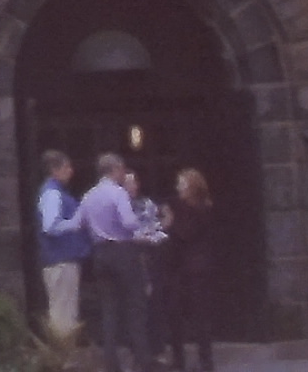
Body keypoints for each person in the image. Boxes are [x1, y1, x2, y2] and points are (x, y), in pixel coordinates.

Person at [79, 153, 152, 369]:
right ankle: (142, 361)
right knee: (135, 308)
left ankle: (111, 364)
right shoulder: (118, 193)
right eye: (121, 169)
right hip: (123, 252)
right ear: (114, 169)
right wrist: (145, 229)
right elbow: (129, 222)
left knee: (109, 310)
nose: (123, 173)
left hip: (100, 253)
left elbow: (80, 222)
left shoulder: (89, 195)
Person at [158, 168, 220, 372]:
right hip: (178, 269)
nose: (178, 188)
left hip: (196, 270)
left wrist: (171, 221)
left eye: (181, 184)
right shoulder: (179, 205)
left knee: (200, 317)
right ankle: (179, 359)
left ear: (192, 186)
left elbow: (186, 233)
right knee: (175, 315)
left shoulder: (202, 208)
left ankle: (206, 361)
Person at [35, 148, 88, 344]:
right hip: (60, 261)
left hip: (62, 259)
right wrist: (76, 222)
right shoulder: (52, 194)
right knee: (63, 314)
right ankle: (63, 359)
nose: (71, 171)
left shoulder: (55, 192)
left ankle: (64, 357)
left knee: (65, 312)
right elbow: (50, 226)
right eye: (67, 167)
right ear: (55, 169)